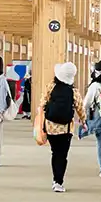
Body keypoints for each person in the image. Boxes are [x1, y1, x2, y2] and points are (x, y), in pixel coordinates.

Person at [41, 62, 87, 193]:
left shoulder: (50, 87)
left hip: (50, 126)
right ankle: (58, 182)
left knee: (55, 153)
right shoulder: (73, 91)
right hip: (66, 128)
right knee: (62, 155)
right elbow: (80, 108)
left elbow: (42, 103)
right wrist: (84, 121)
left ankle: (55, 179)